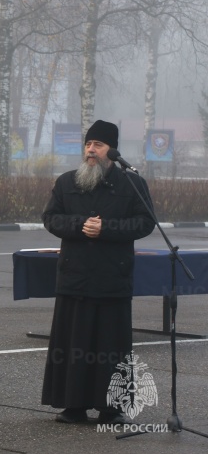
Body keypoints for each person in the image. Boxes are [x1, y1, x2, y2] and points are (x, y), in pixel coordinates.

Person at [41, 120, 155, 424]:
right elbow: (51, 218)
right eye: (88, 144)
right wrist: (80, 226)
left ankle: (111, 409)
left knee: (110, 347)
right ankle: (72, 406)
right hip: (74, 277)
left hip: (111, 279)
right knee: (73, 345)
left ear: (112, 151)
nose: (91, 150)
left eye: (98, 145)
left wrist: (107, 228)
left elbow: (145, 223)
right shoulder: (67, 182)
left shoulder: (132, 184)